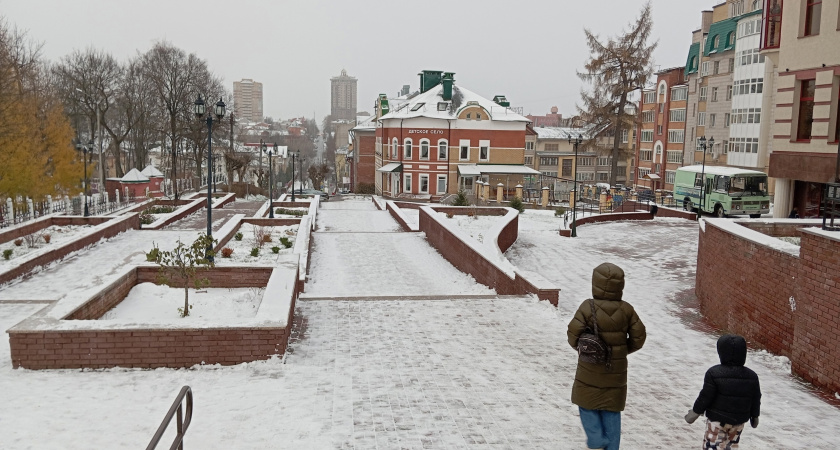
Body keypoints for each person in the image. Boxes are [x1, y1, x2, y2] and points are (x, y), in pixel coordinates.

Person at [568, 263, 646, 450]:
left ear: (595, 283)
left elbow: (572, 334)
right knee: (611, 410)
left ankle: (595, 437)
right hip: (616, 372)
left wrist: (584, 350)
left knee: (585, 403)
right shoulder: (627, 310)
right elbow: (639, 337)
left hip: (589, 368)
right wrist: (621, 351)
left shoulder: (587, 307)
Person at [684, 334, 761, 450]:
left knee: (713, 445)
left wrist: (695, 413)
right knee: (731, 445)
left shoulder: (714, 373)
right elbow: (756, 398)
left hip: (717, 420)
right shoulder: (752, 376)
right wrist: (755, 416)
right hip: (738, 421)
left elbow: (705, 396)